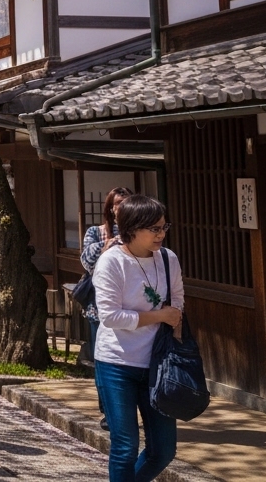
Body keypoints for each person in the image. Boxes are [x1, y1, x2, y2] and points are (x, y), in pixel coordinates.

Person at [93, 194, 184, 482]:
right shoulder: (111, 262)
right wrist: (159, 316)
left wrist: (175, 323)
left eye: (163, 227)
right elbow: (110, 317)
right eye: (154, 229)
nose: (161, 234)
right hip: (116, 363)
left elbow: (178, 302)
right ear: (132, 228)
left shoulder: (168, 259)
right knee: (125, 446)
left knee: (163, 450)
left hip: (158, 365)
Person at [82, 186, 132, 431]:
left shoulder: (138, 234)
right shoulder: (96, 232)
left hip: (132, 310)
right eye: (117, 203)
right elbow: (86, 263)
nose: (121, 207)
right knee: (103, 363)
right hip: (99, 310)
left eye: (126, 202)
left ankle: (127, 412)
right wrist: (107, 246)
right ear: (110, 209)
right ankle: (107, 412)